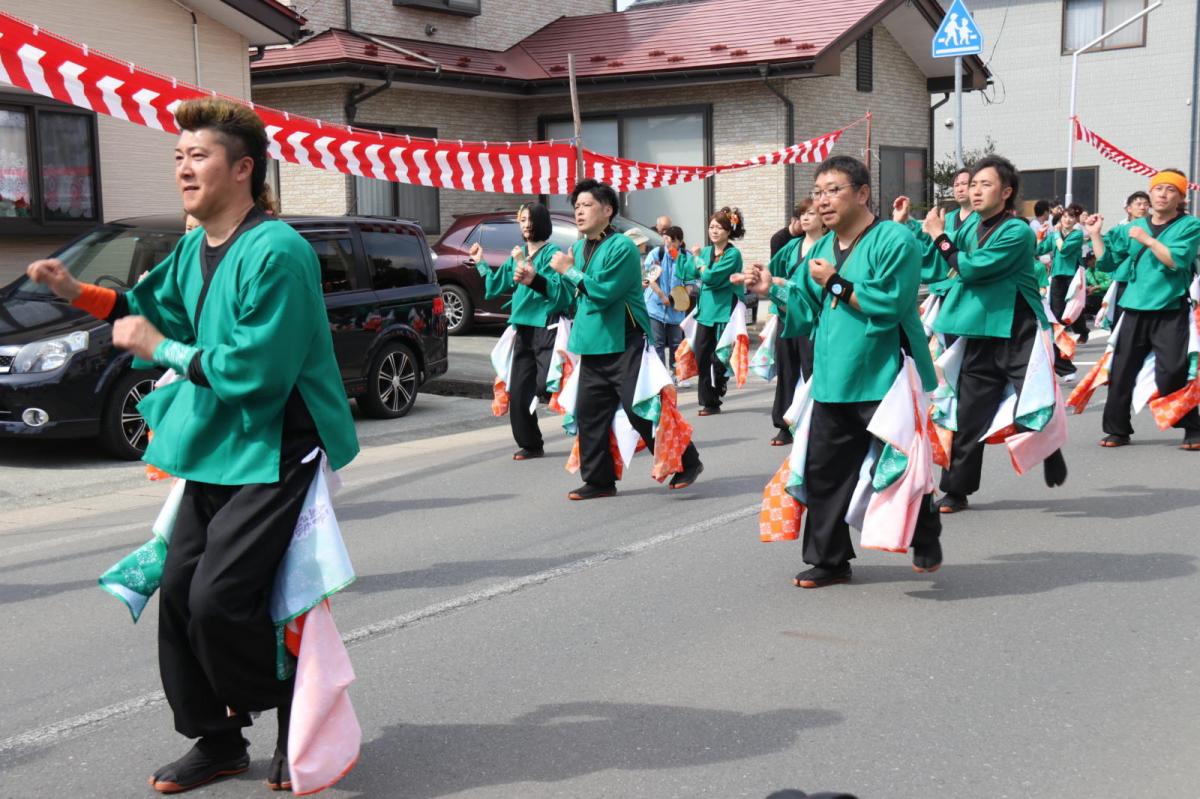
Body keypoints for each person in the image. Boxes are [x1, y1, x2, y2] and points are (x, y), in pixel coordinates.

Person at [25, 97, 359, 792]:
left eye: (198, 154)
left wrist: (162, 346)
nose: (183, 166)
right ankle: (217, 740)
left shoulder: (279, 251)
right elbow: (151, 310)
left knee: (220, 599)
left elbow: (257, 370)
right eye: (177, 155)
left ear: (243, 169)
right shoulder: (194, 247)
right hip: (216, 445)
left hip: (276, 444)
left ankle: (296, 699)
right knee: (178, 594)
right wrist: (76, 291)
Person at [739, 155, 943, 588]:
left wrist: (836, 282)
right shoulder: (819, 249)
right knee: (824, 472)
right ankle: (829, 559)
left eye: (834, 190)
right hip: (832, 377)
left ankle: (924, 531)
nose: (823, 200)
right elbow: (807, 306)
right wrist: (770, 289)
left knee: (902, 462)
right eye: (818, 192)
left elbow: (890, 303)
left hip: (884, 373)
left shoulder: (894, 239)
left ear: (863, 193)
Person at [540, 178, 704, 499]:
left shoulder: (623, 247)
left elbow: (603, 293)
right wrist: (535, 279)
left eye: (586, 205)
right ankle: (599, 480)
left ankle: (688, 461)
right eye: (576, 206)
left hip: (625, 342)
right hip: (591, 344)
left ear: (608, 210)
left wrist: (570, 272)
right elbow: (566, 298)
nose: (579, 212)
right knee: (590, 415)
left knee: (640, 410)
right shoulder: (576, 247)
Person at [923, 155, 1068, 514]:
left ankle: (1048, 447)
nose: (974, 191)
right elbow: (940, 259)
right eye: (972, 184)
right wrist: (921, 232)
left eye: (984, 184)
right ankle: (956, 489)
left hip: (1018, 329)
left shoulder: (1017, 231)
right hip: (980, 330)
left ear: (1006, 192)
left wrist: (941, 238)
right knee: (970, 414)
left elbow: (971, 267)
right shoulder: (970, 225)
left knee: (1034, 401)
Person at [1085, 170, 1200, 450]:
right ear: (1150, 194)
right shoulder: (1130, 229)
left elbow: (1176, 260)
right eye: (1158, 188)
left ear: (1181, 197)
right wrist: (1095, 235)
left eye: (1170, 190)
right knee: (1122, 371)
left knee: (1173, 371)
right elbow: (1107, 263)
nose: (1162, 194)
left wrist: (1148, 240)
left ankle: (1192, 427)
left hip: (1169, 308)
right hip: (1134, 308)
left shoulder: (1190, 226)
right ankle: (1117, 430)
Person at [470, 203, 570, 460]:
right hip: (522, 329)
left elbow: (558, 293)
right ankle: (531, 443)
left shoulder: (552, 254)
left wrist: (531, 275)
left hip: (547, 326)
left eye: (530, 219)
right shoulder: (518, 253)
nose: (525, 225)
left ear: (542, 222)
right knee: (519, 390)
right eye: (522, 220)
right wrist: (481, 262)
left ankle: (591, 430)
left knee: (548, 385)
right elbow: (493, 287)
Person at [674, 207, 747, 415]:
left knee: (719, 358)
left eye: (719, 227)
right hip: (705, 312)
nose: (714, 231)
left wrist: (698, 261)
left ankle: (720, 381)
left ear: (728, 231)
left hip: (726, 311)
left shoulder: (733, 254)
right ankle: (710, 402)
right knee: (703, 356)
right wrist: (679, 252)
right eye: (711, 227)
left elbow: (711, 278)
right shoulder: (705, 252)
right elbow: (686, 272)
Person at [765, 197, 823, 445]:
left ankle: (817, 421)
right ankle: (784, 424)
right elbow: (772, 273)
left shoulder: (829, 247)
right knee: (786, 369)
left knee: (813, 370)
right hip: (786, 316)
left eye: (811, 213)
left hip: (813, 319)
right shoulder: (790, 246)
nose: (806, 218)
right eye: (803, 214)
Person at [1038, 202, 1088, 378]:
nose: (1067, 219)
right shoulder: (1054, 235)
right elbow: (1039, 249)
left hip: (1073, 277)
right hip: (1058, 277)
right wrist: (1040, 235)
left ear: (1075, 220)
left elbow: (1064, 250)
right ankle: (1065, 366)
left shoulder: (1077, 234)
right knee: (1058, 320)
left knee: (1074, 312)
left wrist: (1055, 234)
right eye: (1065, 216)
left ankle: (1082, 330)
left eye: (1071, 217)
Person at [643, 225, 692, 377]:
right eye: (666, 240)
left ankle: (676, 373)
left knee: (676, 342)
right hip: (655, 306)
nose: (668, 244)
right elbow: (649, 279)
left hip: (676, 308)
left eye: (672, 241)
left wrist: (682, 299)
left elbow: (691, 281)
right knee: (657, 343)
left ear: (680, 242)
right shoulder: (656, 254)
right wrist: (662, 296)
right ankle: (660, 375)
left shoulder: (686, 257)